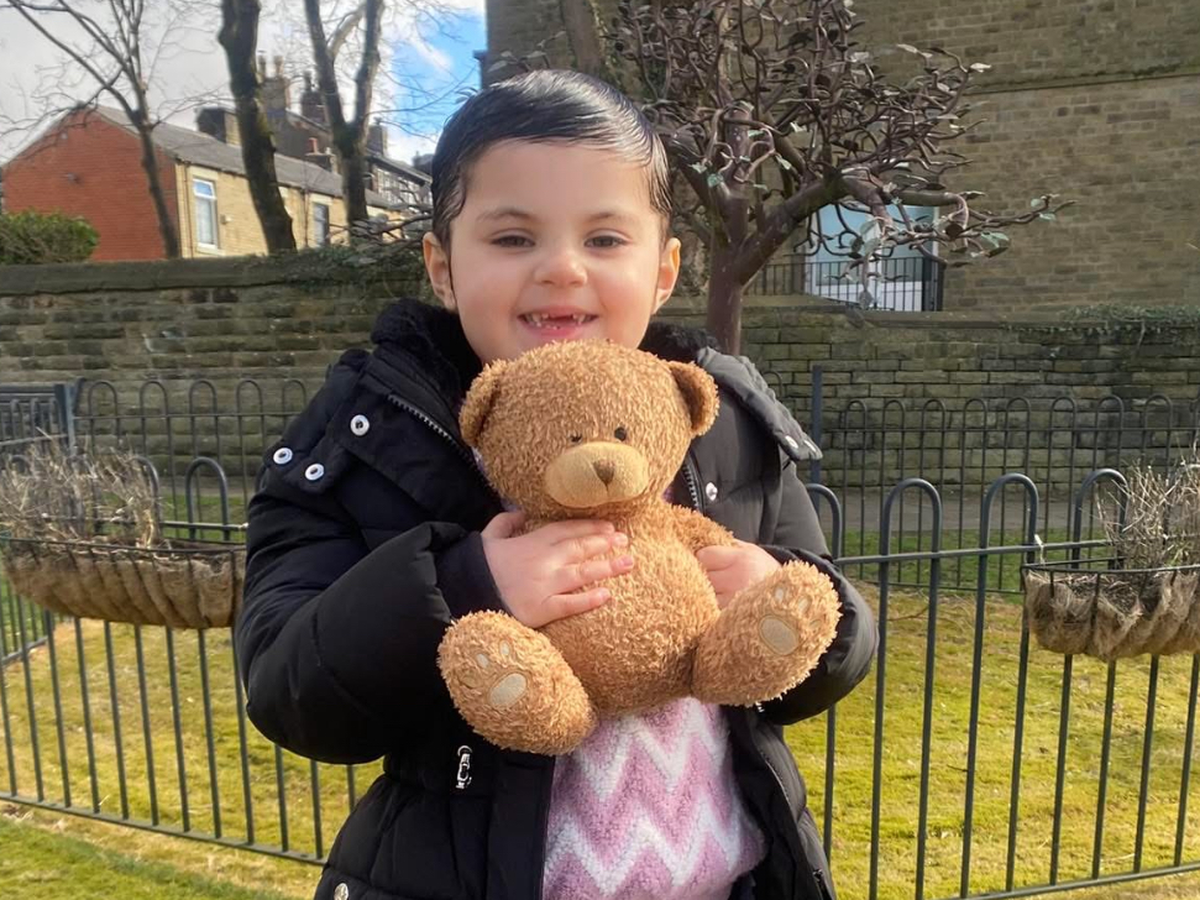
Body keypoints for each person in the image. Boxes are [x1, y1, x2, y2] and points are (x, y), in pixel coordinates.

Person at [236, 69, 877, 900]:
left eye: (605, 239)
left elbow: (825, 653)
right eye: (513, 239)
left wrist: (786, 600)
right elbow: (290, 691)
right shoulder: (364, 438)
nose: (563, 269)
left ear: (663, 269)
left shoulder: (722, 422)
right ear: (442, 266)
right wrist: (464, 586)